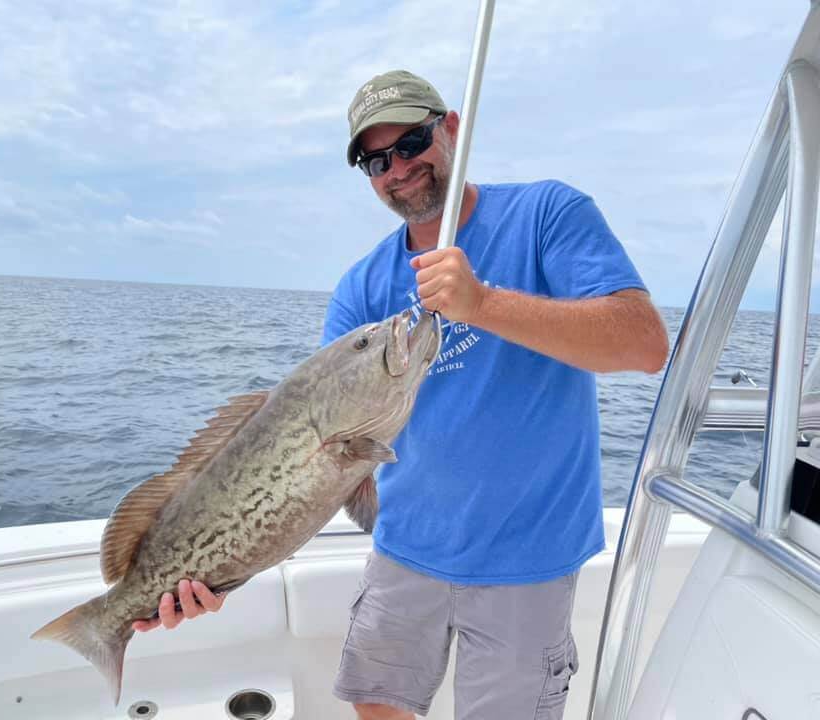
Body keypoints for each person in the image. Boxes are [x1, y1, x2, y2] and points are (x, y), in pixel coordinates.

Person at [135, 69, 669, 720]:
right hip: (405, 550)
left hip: (525, 559)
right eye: (375, 159)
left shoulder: (547, 215)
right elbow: (312, 451)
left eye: (411, 142)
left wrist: (484, 303)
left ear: (450, 129)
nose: (397, 168)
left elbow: (644, 345)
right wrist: (222, 568)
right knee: (376, 705)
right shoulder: (361, 288)